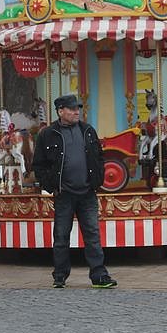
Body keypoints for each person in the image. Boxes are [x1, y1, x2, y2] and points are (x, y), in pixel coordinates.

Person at [31, 94, 117, 289]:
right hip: (64, 194)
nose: (76, 111)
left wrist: (98, 180)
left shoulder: (87, 130)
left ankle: (99, 275)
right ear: (60, 111)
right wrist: (51, 186)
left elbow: (99, 157)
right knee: (61, 236)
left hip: (87, 192)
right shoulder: (48, 134)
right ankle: (60, 275)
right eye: (71, 109)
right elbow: (39, 164)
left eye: (77, 108)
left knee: (93, 235)